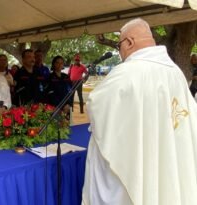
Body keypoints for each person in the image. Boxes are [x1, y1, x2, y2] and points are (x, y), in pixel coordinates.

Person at [82, 18, 197, 205]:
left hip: (139, 159)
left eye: (120, 45)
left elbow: (96, 106)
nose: (120, 52)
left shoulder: (126, 72)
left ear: (129, 42)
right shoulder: (175, 73)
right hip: (168, 153)